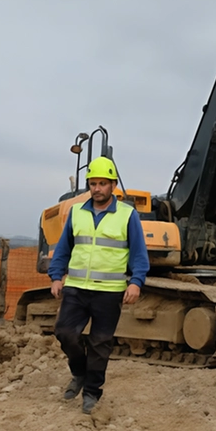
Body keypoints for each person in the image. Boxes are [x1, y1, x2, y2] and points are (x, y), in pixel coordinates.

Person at [47, 157, 148, 414]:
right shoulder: (76, 213)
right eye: (93, 183)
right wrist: (56, 276)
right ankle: (79, 373)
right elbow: (63, 248)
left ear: (112, 185)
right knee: (65, 333)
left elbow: (138, 253)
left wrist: (136, 282)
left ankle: (92, 392)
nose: (97, 188)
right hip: (77, 287)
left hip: (109, 291)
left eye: (103, 183)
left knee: (100, 343)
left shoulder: (127, 215)